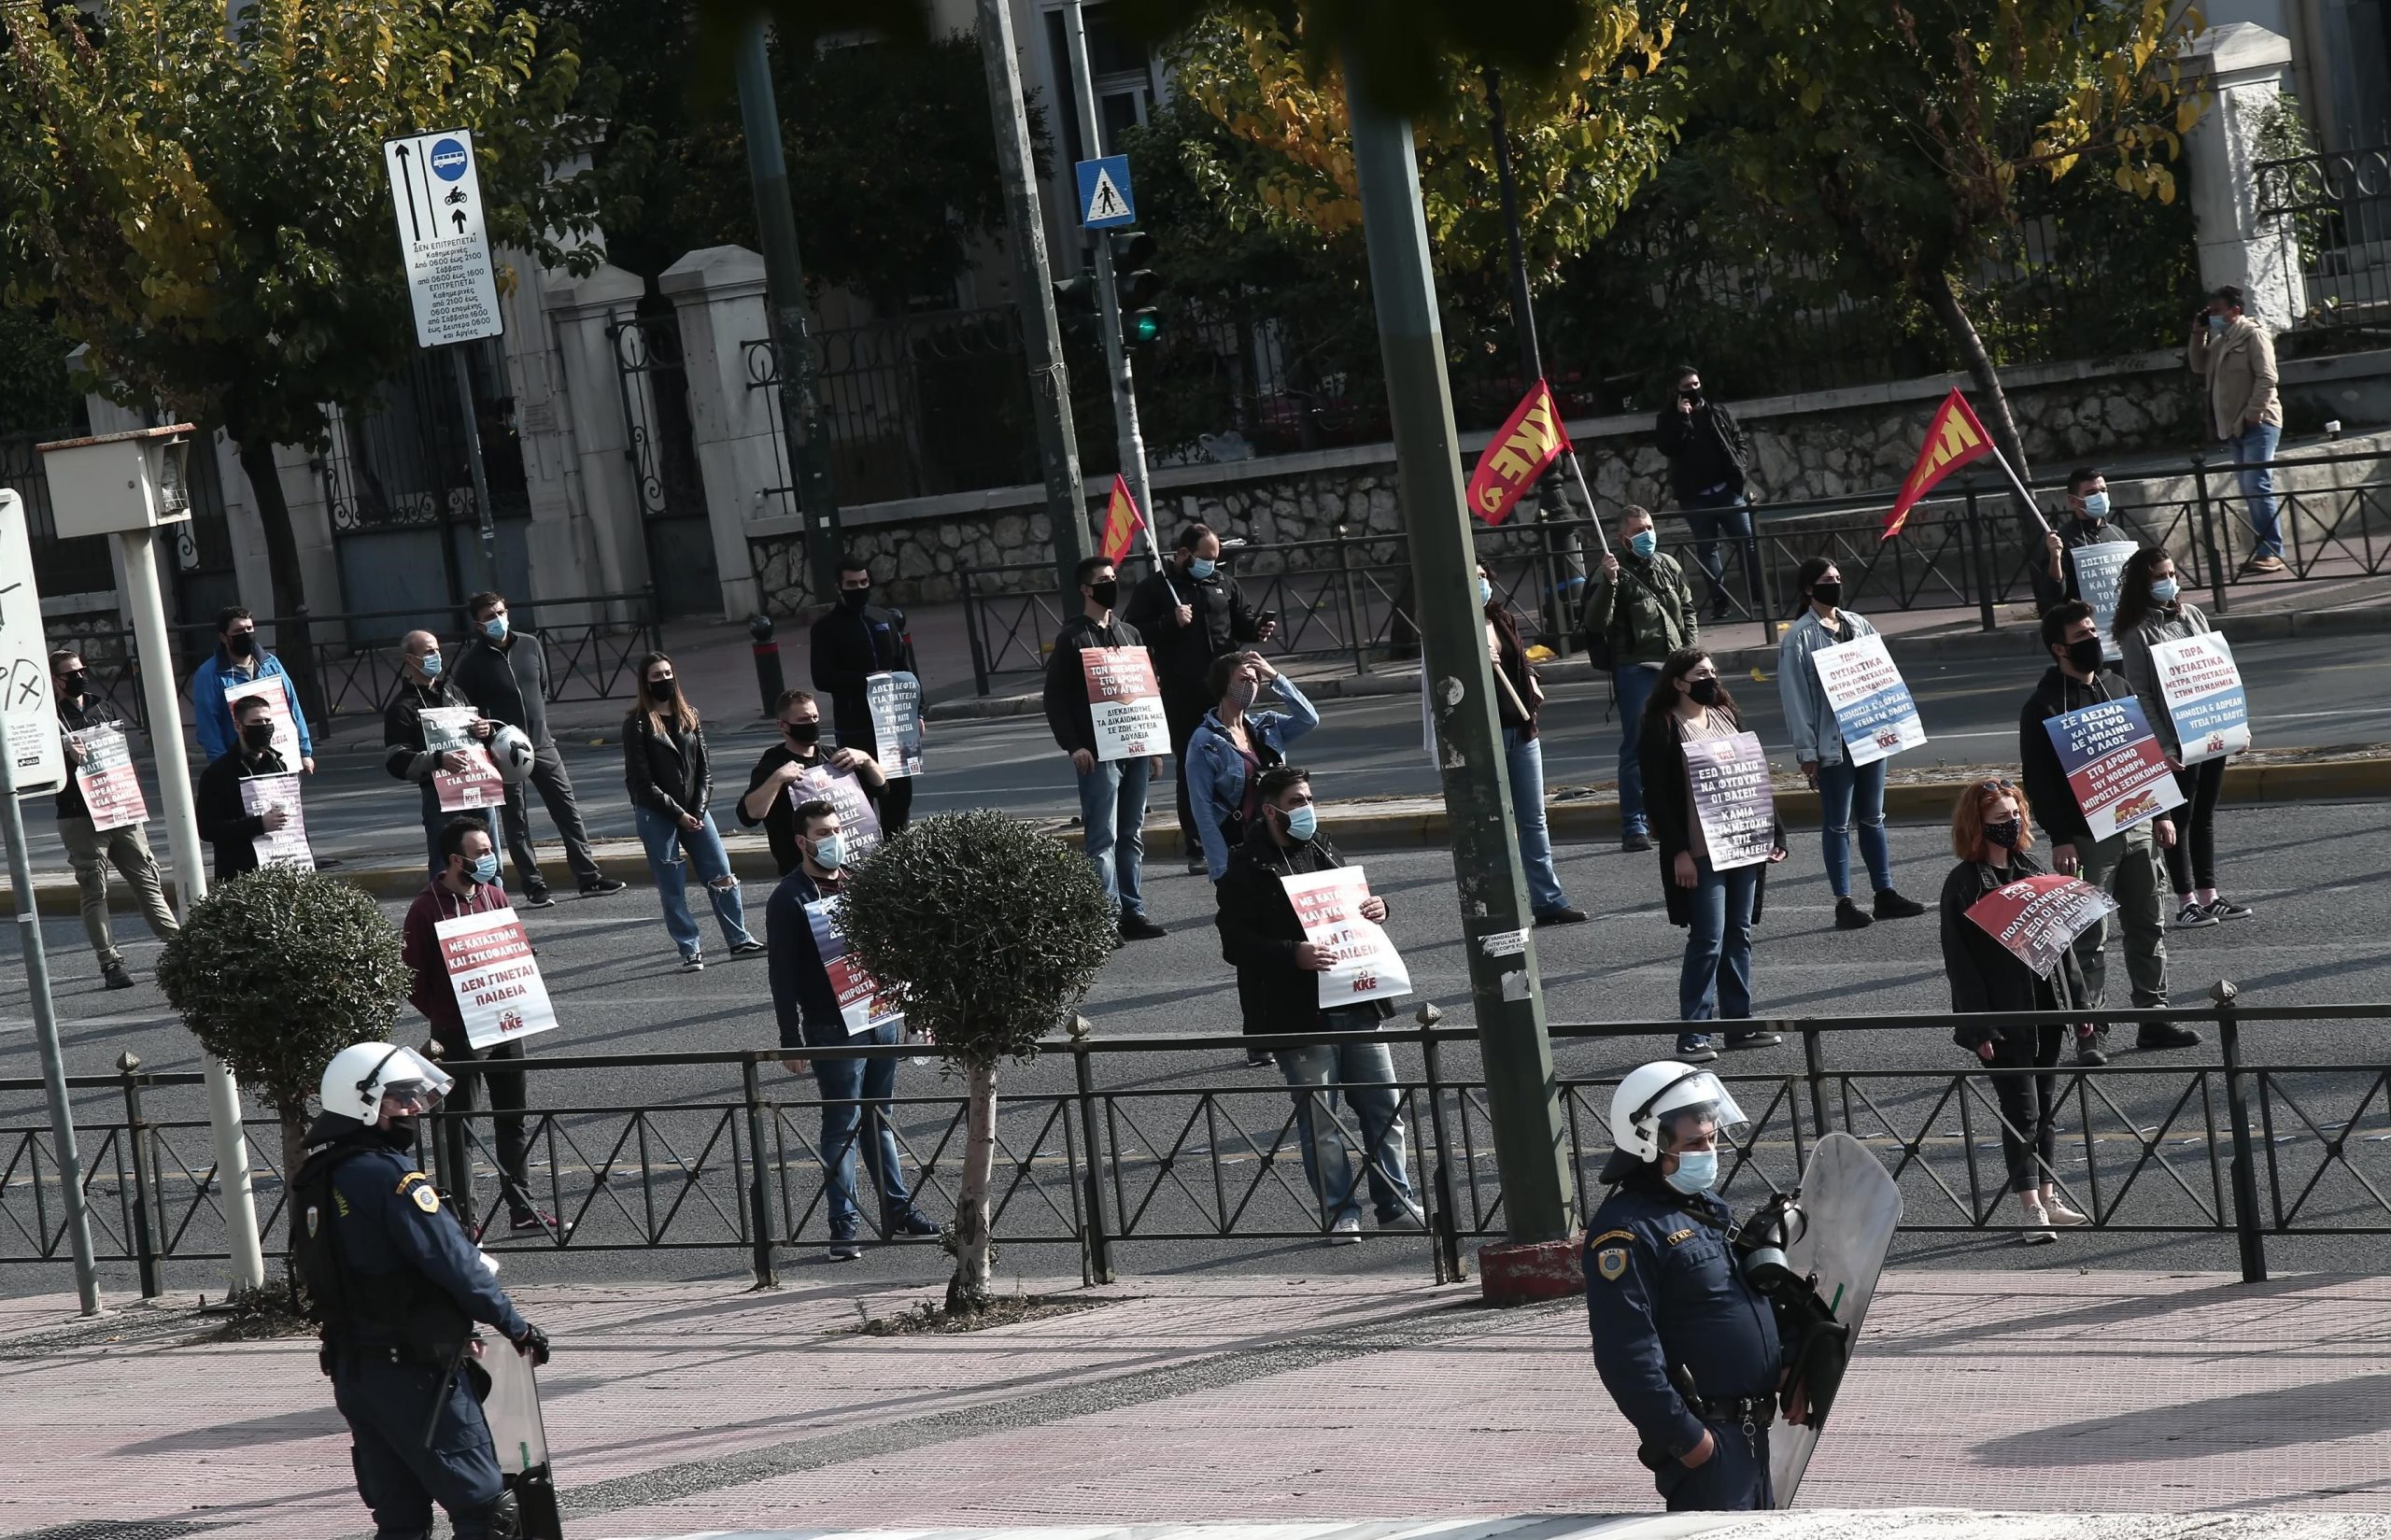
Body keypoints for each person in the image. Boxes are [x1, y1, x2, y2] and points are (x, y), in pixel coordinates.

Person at [290, 1040, 549, 1540]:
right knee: (488, 1512)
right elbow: (456, 1264)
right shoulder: (390, 1177)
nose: (413, 1108)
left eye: (414, 1096)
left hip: (355, 1370)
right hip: (416, 1374)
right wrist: (517, 1327)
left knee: (401, 1522)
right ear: (362, 1102)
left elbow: (364, 1274)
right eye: (400, 1097)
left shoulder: (317, 1178)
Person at [1215, 766, 1422, 1242]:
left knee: (1384, 1110)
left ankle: (1395, 1203)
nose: (1307, 809)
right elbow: (1235, 943)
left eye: (1309, 799)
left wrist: (1379, 908)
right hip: (1299, 1012)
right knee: (1321, 1121)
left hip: (1356, 1001)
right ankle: (1339, 1212)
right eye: (1297, 802)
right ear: (1271, 812)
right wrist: (1293, 954)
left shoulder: (1323, 849)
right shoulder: (1247, 867)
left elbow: (1353, 910)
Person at [1584, 1062, 1781, 1511]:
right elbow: (1626, 1353)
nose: (1708, 1152)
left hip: (1752, 1433)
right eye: (1693, 1144)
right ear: (1648, 1145)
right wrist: (1687, 1439)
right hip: (1708, 1442)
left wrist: (1786, 1363)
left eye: (1711, 1140)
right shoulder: (1625, 1233)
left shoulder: (1705, 1208)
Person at [2017, 600, 2199, 1061]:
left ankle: (2153, 1018)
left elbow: (2143, 754)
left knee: (2149, 925)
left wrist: (2162, 813)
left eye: (2093, 632)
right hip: (2087, 839)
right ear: (2059, 648)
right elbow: (2039, 780)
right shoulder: (2042, 705)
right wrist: (2060, 836)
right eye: (2081, 636)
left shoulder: (2117, 686)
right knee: (2087, 938)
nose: (2093, 640)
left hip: (2139, 826)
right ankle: (2091, 1031)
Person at [766, 798, 941, 1260]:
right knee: (841, 1126)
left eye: (837, 830)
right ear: (802, 842)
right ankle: (842, 1227)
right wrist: (790, 1039)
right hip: (833, 1028)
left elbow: (892, 949)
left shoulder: (860, 883)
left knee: (879, 1120)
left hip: (880, 1018)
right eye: (823, 833)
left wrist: (912, 1011)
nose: (834, 839)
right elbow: (781, 974)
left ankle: (897, 1211)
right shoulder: (790, 897)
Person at [1939, 779, 2095, 1240]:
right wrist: (1978, 1026)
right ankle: (2030, 1209)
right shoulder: (1964, 884)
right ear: (1977, 825)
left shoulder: (2031, 868)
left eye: (2015, 814)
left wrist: (2079, 1005)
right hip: (2004, 1016)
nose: (2011, 823)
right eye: (2000, 818)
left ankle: (2049, 1196)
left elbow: (2061, 943)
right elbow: (1960, 964)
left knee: (2045, 1108)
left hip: (2045, 1007)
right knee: (2021, 1110)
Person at [399, 816, 565, 1236]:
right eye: (483, 853)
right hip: (459, 1034)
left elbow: (515, 948)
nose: (491, 858)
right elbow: (410, 977)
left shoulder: (494, 895)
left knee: (513, 1118)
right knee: (461, 1128)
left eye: (491, 850)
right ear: (456, 860)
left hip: (506, 1024)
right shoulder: (426, 908)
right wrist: (444, 1017)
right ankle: (464, 1219)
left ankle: (522, 1208)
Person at [1637, 648, 1787, 1065]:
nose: (1711, 679)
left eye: (1712, 672)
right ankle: (1693, 1035)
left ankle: (1739, 1024)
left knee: (1739, 933)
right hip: (1701, 851)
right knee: (1708, 939)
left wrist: (1774, 832)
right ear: (1678, 683)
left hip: (1742, 844)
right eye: (1701, 674)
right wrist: (1678, 852)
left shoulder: (1726, 714)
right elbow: (1657, 796)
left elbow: (1753, 779)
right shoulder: (1662, 725)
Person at [1776, 558, 1926, 931]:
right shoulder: (1798, 637)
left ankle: (1884, 893)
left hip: (1869, 735)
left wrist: (1897, 724)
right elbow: (1795, 698)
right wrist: (1807, 751)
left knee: (1873, 816)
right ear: (1808, 589)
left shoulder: (1859, 624)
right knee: (1838, 823)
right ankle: (1843, 901)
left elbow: (1882, 678)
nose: (1835, 584)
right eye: (1827, 579)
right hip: (1833, 743)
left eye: (1838, 578)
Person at [452, 590, 626, 905]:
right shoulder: (471, 664)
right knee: (516, 819)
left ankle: (589, 878)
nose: (498, 620)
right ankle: (534, 885)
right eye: (490, 617)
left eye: (501, 612)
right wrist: (484, 730)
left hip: (541, 744)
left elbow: (541, 688)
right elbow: (464, 711)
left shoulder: (530, 645)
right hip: (501, 753)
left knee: (567, 809)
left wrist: (535, 728)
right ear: (478, 625)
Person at [1124, 521, 1277, 872]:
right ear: (1183, 554)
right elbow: (1133, 633)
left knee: (1240, 761)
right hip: (1184, 692)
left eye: (1215, 558)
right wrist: (1168, 621)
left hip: (1225, 693)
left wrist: (1257, 628)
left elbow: (1241, 620)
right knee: (1193, 769)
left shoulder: (1223, 583)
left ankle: (1243, 835)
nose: (1212, 564)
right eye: (1206, 558)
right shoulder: (1156, 588)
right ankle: (1197, 846)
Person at [2114, 545, 2254, 929]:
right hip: (2177, 740)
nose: (2168, 581)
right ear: (2143, 583)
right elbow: (2141, 694)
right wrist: (2163, 745)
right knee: (2180, 819)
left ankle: (2209, 895)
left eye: (2172, 574)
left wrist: (2237, 724)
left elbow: (2219, 674)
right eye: (2159, 576)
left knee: (2204, 814)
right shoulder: (2136, 631)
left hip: (2211, 730)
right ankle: (2185, 901)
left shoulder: (2193, 615)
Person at [1042, 555, 1165, 940]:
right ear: (1085, 590)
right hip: (1098, 753)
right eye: (1103, 580)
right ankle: (1105, 919)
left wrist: (1154, 746)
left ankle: (1132, 911)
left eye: (1114, 577)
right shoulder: (1072, 638)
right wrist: (1074, 745)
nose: (1111, 584)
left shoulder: (1130, 634)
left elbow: (1146, 690)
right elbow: (1055, 698)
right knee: (1102, 839)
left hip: (1136, 748)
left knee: (1131, 833)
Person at [50, 649, 180, 989]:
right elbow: (40, 771)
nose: (79, 677)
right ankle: (110, 962)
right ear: (55, 680)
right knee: (95, 889)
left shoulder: (101, 706)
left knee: (147, 878)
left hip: (119, 808)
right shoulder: (50, 719)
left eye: (82, 670)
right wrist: (66, 756)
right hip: (80, 816)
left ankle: (180, 947)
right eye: (71, 674)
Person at [623, 652, 761, 972]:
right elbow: (641, 782)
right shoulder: (637, 723)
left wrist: (697, 810)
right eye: (656, 676)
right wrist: (678, 814)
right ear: (645, 682)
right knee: (672, 884)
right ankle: (689, 949)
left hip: (694, 810)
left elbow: (704, 772)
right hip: (657, 812)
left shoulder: (690, 715)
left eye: (667, 674)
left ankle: (738, 939)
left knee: (722, 874)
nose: (664, 680)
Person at [1578, 505, 1700, 854]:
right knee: (1637, 746)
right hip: (1635, 668)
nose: (1647, 535)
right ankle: (1634, 824)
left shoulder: (1668, 565)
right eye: (1638, 531)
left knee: (1684, 743)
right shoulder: (1608, 572)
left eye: (1649, 527)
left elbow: (1687, 610)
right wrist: (1610, 582)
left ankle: (1680, 818)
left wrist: (1691, 654)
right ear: (1623, 538)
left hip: (1674, 665)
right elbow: (1596, 622)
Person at [1481, 561, 1587, 925]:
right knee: (1494, 823)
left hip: (1522, 730)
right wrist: (1473, 659)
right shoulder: (1455, 629)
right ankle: (1502, 906)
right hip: (1487, 737)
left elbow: (1520, 661)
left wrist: (1532, 680)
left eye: (1484, 577)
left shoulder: (1502, 619)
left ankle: (1548, 901)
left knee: (1534, 820)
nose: (1481, 584)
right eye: (1473, 578)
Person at [809, 555, 921, 837]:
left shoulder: (883, 618)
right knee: (862, 802)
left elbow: (904, 667)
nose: (859, 588)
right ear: (839, 587)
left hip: (894, 727)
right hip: (855, 727)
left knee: (899, 800)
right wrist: (867, 680)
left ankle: (898, 854)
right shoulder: (825, 628)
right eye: (852, 584)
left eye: (863, 582)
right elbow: (822, 678)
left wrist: (918, 711)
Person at [1185, 649, 1318, 883]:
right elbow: (1202, 809)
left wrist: (1275, 676)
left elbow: (1309, 719)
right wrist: (1221, 868)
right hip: (1240, 843)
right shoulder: (1204, 742)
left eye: (1256, 680)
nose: (1251, 685)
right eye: (1244, 679)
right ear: (1223, 684)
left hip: (1277, 836)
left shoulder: (1266, 725)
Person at [2187, 284, 2285, 575]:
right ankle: (2265, 549)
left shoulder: (2253, 335)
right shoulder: (2221, 341)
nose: (2213, 316)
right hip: (2234, 428)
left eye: (2217, 311)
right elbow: (2198, 366)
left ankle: (2272, 552)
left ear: (2235, 311)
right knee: (2249, 488)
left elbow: (2267, 377)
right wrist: (2198, 333)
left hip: (2259, 423)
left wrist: (2253, 414)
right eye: (2210, 312)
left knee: (2257, 485)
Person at [383, 629, 498, 875]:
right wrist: (436, 760)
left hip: (477, 788)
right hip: (440, 798)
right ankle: (448, 901)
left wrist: (486, 730)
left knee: (488, 859)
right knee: (445, 866)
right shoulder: (402, 707)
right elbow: (395, 759)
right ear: (411, 659)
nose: (436, 656)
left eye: (437, 650)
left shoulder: (454, 693)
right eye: (428, 652)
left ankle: (493, 897)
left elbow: (480, 738)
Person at [739, 687, 885, 877]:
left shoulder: (834, 756)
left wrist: (866, 759)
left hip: (853, 865)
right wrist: (777, 778)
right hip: (802, 872)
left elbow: (881, 788)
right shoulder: (773, 763)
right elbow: (750, 816)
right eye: (803, 720)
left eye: (815, 717)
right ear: (783, 726)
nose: (812, 723)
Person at [1652, 366, 1758, 624]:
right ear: (1676, 391)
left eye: (1696, 384)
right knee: (1708, 549)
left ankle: (1759, 596)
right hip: (1695, 497)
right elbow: (1668, 448)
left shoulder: (1717, 412)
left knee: (1747, 542)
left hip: (1727, 491)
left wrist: (1739, 468)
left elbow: (1738, 442)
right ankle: (1720, 602)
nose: (1693, 389)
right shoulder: (1667, 419)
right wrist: (1682, 419)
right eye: (1687, 386)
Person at [187, 604, 315, 771]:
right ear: (224, 637)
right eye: (239, 631)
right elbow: (208, 726)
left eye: (249, 628)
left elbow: (293, 707)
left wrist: (305, 751)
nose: (246, 634)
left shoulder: (271, 664)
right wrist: (222, 767)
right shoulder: (209, 675)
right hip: (238, 764)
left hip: (282, 760)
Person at [194, 691, 294, 882]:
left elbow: (294, 821)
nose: (264, 727)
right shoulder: (217, 773)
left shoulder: (279, 765)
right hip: (240, 876)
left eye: (267, 721)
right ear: (238, 726)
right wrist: (259, 824)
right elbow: (207, 829)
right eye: (256, 722)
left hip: (281, 869)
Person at [2035, 468, 2135, 608]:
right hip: (2084, 620)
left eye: (2103, 490)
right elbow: (2054, 595)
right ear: (2073, 500)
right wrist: (2055, 558)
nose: (2100, 497)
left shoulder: (2119, 535)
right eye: (2091, 493)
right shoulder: (2062, 540)